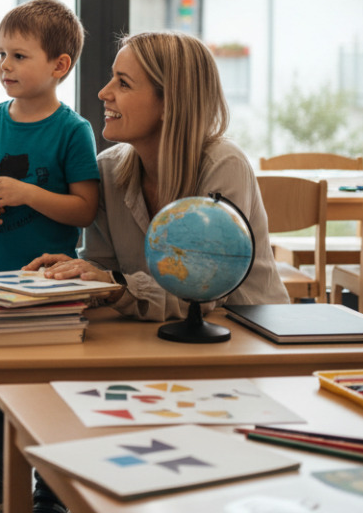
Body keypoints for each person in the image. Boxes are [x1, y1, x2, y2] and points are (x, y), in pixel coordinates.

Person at [26, 30, 288, 321]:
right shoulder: (107, 170)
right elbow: (106, 271)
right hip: (151, 334)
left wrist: (112, 285)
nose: (103, 93)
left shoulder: (224, 165)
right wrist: (76, 275)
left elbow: (205, 293)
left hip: (243, 335)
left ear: (169, 103)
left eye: (123, 83)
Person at [0, 0, 101, 513]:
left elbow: (85, 209)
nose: (4, 66)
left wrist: (28, 194)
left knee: (50, 391)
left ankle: (50, 490)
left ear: (60, 65)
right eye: (1, 54)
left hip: (49, 291)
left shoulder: (72, 130)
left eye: (19, 56)